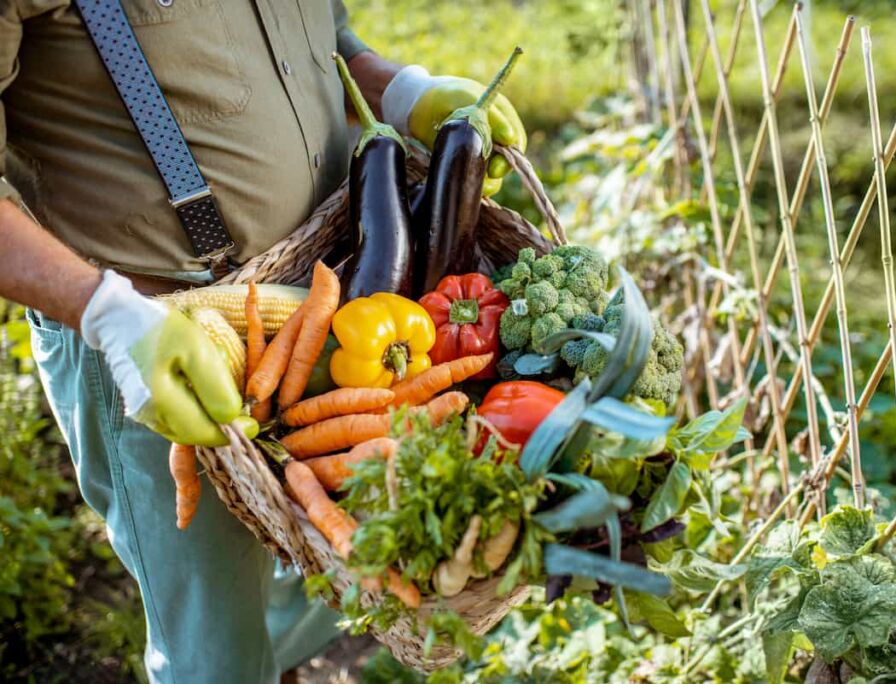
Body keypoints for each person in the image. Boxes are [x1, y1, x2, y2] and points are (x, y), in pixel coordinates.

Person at [0, 2, 526, 682]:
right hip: (160, 337)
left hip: (334, 294)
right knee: (214, 652)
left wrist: (399, 90)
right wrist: (105, 313)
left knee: (321, 563)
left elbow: (320, 38)